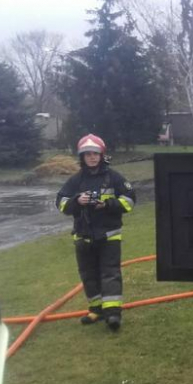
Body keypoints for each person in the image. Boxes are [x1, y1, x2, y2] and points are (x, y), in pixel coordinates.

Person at [56, 134, 136, 332]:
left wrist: (108, 204)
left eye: (95, 154)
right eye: (88, 154)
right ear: (82, 157)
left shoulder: (114, 177)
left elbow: (130, 199)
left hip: (109, 235)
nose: (92, 157)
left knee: (110, 273)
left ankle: (113, 314)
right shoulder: (75, 181)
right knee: (88, 275)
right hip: (83, 236)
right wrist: (77, 201)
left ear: (102, 155)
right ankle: (96, 310)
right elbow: (61, 203)